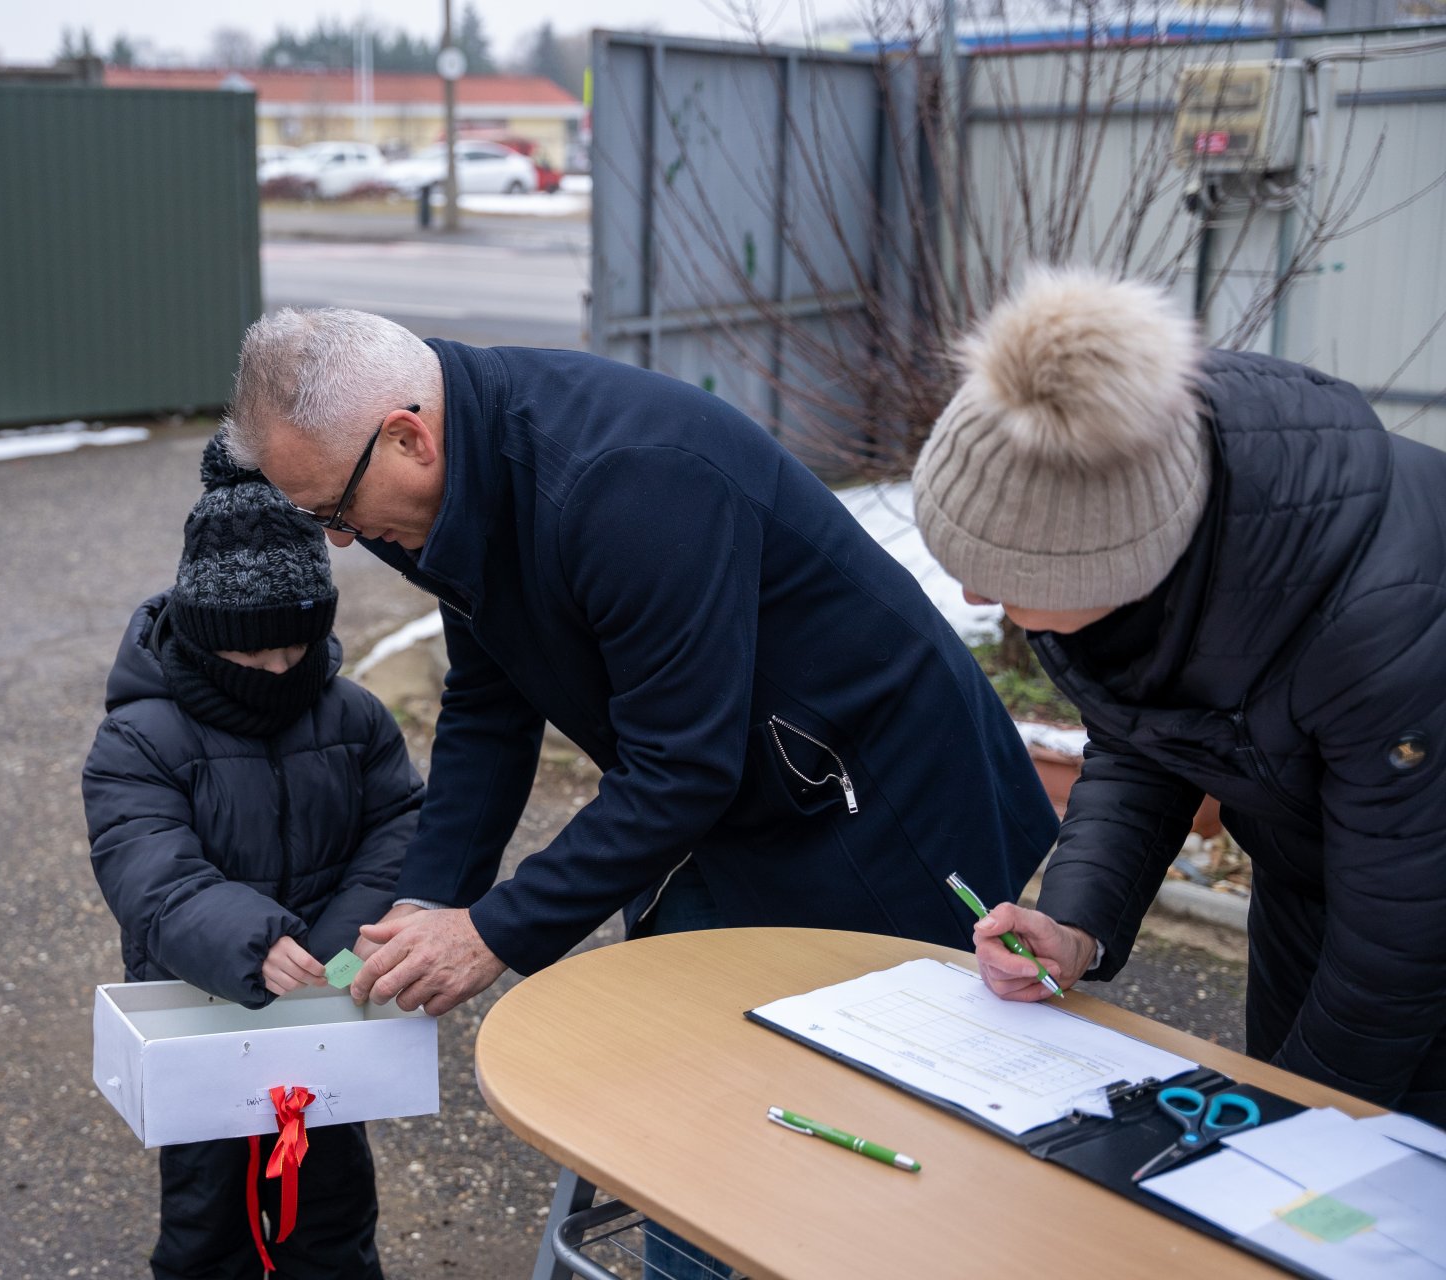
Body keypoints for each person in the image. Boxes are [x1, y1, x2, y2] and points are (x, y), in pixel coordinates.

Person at [222, 306, 1059, 1018]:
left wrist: (492, 932)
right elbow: (489, 699)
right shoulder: (446, 481)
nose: (341, 540)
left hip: (872, 791)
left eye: (335, 510)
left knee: (883, 1069)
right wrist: (431, 897)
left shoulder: (626, 485)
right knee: (697, 1057)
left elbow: (680, 767)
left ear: (409, 438)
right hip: (731, 791)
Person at [912, 267, 1446, 1123]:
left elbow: (1402, 942)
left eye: (1005, 580)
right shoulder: (1146, 499)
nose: (977, 598)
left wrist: (1293, 1122)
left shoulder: (1386, 623)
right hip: (1315, 876)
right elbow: (1146, 735)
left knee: (1380, 1165)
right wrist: (1074, 928)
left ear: (1120, 567)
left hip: (1415, 908)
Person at [82, 437, 424, 1279]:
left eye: (295, 651)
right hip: (199, 1009)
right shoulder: (139, 737)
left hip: (325, 1005)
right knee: (210, 1220)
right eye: (252, 653)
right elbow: (149, 870)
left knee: (332, 1209)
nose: (276, 671)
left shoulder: (353, 717)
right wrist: (251, 940)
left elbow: (400, 828)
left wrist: (341, 946)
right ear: (205, 635)